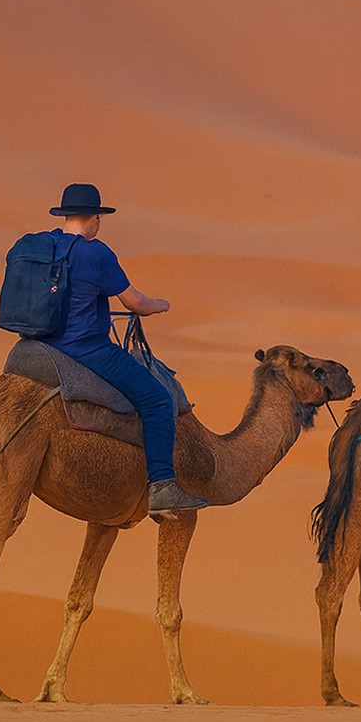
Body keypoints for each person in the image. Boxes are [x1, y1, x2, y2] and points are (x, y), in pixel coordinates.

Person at [41, 183, 207, 516]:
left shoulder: (45, 245)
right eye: (99, 217)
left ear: (65, 215)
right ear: (95, 217)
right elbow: (135, 303)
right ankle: (162, 487)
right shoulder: (96, 252)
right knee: (158, 399)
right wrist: (160, 305)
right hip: (86, 348)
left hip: (44, 343)